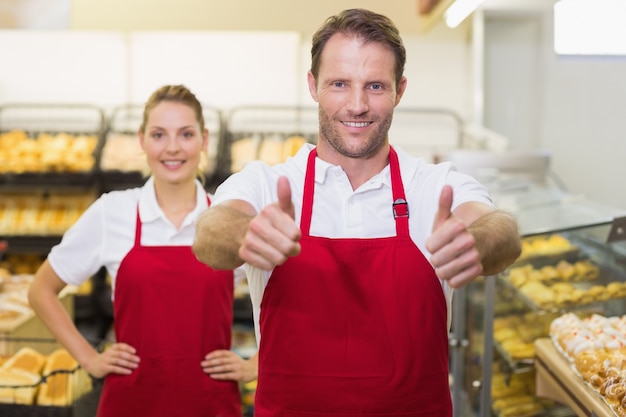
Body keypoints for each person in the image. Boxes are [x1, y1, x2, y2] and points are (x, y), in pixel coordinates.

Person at [192, 8, 521, 416]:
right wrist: (245, 235)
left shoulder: (431, 186)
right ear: (313, 85)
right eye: (339, 84)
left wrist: (477, 241)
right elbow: (210, 232)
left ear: (400, 90)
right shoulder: (269, 183)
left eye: (376, 86)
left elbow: (500, 229)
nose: (357, 104)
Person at [28, 85, 257, 417]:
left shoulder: (229, 217)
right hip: (131, 400)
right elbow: (41, 291)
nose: (173, 148)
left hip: (210, 402)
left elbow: (287, 295)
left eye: (186, 134)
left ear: (204, 140)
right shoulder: (112, 212)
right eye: (159, 134)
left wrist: (256, 365)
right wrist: (89, 358)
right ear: (142, 140)